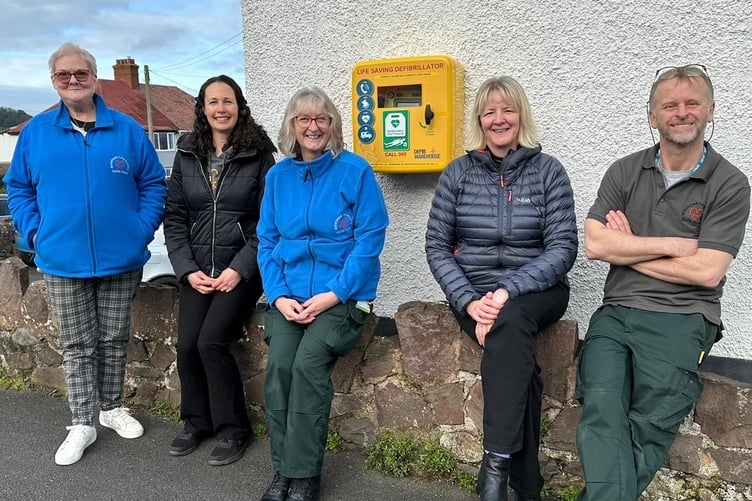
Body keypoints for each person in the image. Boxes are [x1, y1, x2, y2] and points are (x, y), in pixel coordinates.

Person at [575, 65, 750, 500]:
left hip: (685, 317)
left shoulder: (730, 184)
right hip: (616, 313)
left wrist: (630, 247)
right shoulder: (624, 171)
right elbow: (596, 244)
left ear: (711, 112)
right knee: (601, 410)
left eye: (692, 103)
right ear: (652, 116)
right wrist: (673, 245)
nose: (681, 112)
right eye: (669, 105)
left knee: (648, 427)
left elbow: (708, 271)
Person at [3, 42, 166, 465]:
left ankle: (111, 409)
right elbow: (19, 188)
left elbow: (153, 184)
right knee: (77, 344)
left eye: (80, 73)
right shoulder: (37, 132)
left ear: (94, 78)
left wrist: (140, 228)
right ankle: (82, 423)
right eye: (64, 75)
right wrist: (36, 231)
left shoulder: (128, 130)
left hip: (121, 257)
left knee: (113, 338)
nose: (73, 80)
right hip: (61, 258)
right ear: (54, 80)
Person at [425, 76, 578, 501]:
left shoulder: (549, 171)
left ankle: (493, 465)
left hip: (537, 291)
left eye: (507, 110)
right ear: (479, 119)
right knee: (520, 369)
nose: (499, 119)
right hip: (472, 293)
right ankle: (527, 486)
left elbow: (563, 248)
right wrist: (471, 302)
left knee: (509, 320)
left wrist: (508, 289)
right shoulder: (457, 172)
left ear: (521, 116)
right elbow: (437, 247)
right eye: (490, 111)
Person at [256, 87, 389, 501]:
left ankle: (305, 474)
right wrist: (278, 296)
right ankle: (283, 472)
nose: (313, 127)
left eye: (321, 119)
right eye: (303, 120)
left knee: (308, 368)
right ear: (292, 127)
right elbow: (266, 242)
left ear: (332, 125)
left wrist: (333, 294)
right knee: (279, 367)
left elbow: (370, 239)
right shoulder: (277, 177)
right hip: (289, 298)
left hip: (342, 299)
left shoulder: (355, 171)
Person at [163, 75, 276, 466]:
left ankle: (233, 429)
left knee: (212, 342)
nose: (220, 109)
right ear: (203, 109)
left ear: (239, 106)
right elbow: (175, 217)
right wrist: (186, 269)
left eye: (227, 101)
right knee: (186, 345)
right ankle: (197, 422)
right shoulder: (187, 153)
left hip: (240, 270)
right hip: (197, 269)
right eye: (213, 102)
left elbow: (269, 223)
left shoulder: (259, 155)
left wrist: (240, 269)